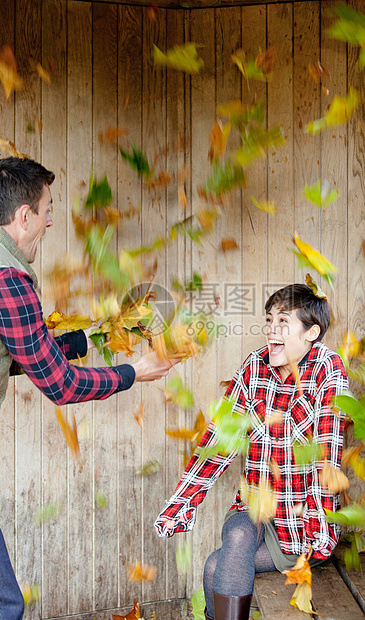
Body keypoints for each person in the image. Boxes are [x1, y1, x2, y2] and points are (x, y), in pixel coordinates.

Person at [0, 156, 180, 619]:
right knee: (6, 604)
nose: (50, 219)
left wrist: (93, 335)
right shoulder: (9, 280)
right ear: (24, 217)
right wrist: (132, 373)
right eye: (47, 209)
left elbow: (21, 350)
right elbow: (56, 383)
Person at [154, 284, 348, 620]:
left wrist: (319, 531)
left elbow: (326, 460)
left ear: (310, 333)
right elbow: (219, 442)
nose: (271, 329)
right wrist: (181, 505)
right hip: (254, 506)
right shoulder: (255, 366)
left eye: (283, 322)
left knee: (216, 567)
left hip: (300, 524)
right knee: (240, 533)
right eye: (269, 319)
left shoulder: (328, 371)